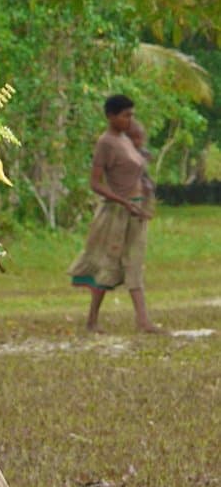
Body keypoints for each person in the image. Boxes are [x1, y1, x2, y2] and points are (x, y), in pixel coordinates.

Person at [69, 95, 160, 332]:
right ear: (111, 116)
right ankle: (92, 320)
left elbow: (135, 169)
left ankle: (143, 321)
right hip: (117, 213)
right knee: (107, 265)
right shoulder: (106, 143)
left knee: (135, 262)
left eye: (131, 115)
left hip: (136, 211)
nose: (130, 119)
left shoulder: (126, 139)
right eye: (125, 115)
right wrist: (123, 202)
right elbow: (95, 183)